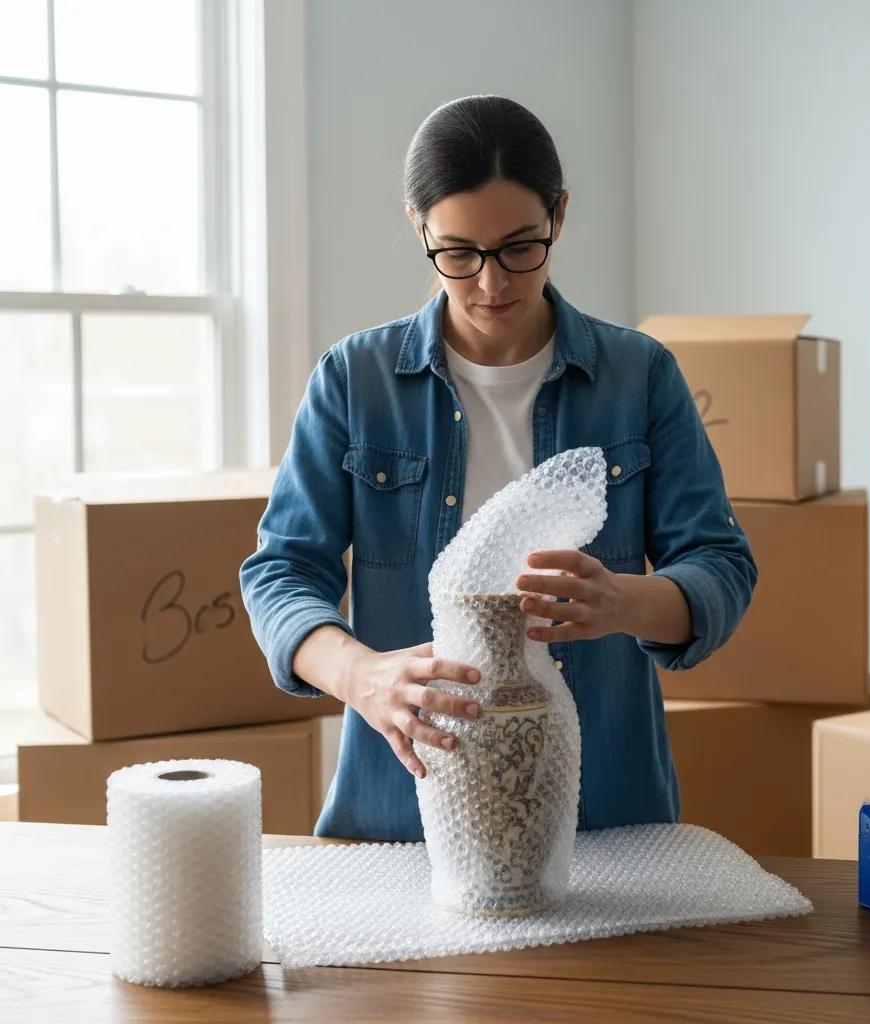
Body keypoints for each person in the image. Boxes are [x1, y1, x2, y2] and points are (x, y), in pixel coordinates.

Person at [239, 95, 757, 841]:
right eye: (458, 254)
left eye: (521, 247)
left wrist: (623, 601)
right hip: (399, 822)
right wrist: (362, 676)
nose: (492, 284)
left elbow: (721, 566)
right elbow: (280, 572)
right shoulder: (354, 381)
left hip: (603, 825)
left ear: (560, 216)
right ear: (419, 225)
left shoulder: (639, 375)